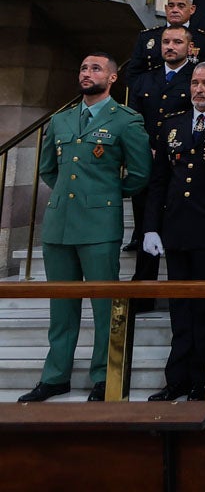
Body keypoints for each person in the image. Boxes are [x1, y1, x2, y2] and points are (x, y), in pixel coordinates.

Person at [19, 55, 151, 403]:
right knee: (61, 307)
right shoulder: (61, 120)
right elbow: (49, 169)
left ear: (112, 76)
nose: (87, 74)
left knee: (105, 306)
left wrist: (105, 196)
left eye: (95, 69)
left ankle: (102, 375)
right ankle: (55, 376)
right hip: (59, 224)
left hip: (98, 224)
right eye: (82, 68)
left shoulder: (125, 120)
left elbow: (139, 174)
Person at [143, 62, 205, 401]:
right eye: (195, 83)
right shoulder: (174, 125)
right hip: (177, 231)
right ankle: (176, 379)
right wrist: (151, 228)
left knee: (204, 310)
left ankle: (201, 378)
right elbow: (158, 182)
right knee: (179, 309)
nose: (199, 89)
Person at [127, 26, 195, 299]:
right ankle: (145, 284)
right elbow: (134, 119)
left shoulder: (196, 78)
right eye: (166, 41)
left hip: (183, 163)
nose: (170, 46)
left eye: (177, 42)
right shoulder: (145, 80)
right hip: (149, 160)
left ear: (189, 47)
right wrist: (147, 148)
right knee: (147, 221)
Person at [127, 0, 205, 82]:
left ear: (192, 9)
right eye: (171, 6)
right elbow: (133, 73)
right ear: (166, 9)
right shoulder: (147, 37)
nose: (175, 10)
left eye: (181, 6)